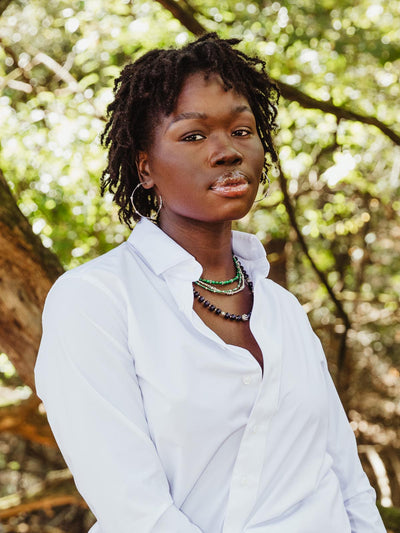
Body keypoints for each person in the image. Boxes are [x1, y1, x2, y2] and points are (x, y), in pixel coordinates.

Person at [34, 33, 385, 533]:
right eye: (194, 136)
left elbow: (345, 478)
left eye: (242, 130)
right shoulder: (95, 301)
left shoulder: (281, 308)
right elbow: (137, 512)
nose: (227, 151)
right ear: (145, 167)